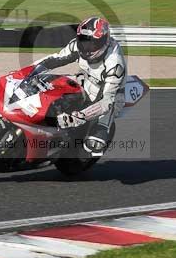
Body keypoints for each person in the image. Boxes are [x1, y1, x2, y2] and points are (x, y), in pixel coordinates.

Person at [26, 16, 126, 158]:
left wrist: (79, 117)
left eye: (92, 44)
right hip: (84, 80)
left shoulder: (115, 64)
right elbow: (55, 59)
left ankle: (98, 133)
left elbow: (107, 101)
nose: (86, 47)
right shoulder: (77, 46)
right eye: (83, 41)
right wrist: (29, 71)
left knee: (94, 143)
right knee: (49, 84)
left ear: (104, 41)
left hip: (110, 95)